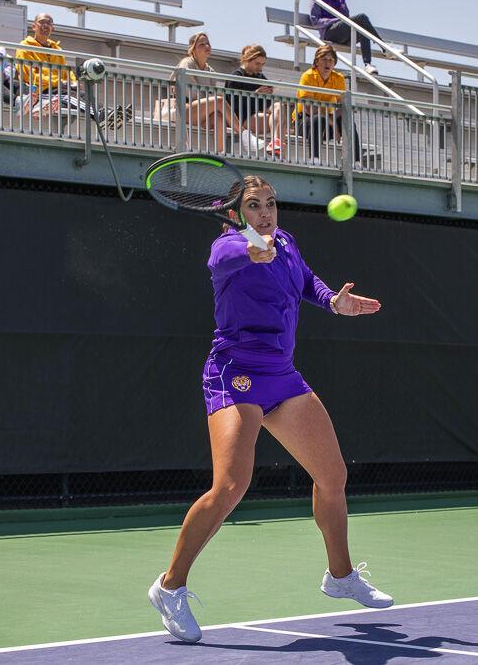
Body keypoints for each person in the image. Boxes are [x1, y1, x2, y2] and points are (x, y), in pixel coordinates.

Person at [147, 175, 390, 643]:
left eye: (272, 204)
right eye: (254, 205)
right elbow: (243, 255)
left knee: (332, 476)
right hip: (233, 373)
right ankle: (169, 586)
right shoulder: (227, 249)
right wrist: (253, 247)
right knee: (231, 485)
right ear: (235, 213)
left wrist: (335, 303)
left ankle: (340, 577)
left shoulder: (287, 243)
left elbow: (306, 283)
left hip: (281, 375)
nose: (266, 214)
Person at [15, 13, 125, 125]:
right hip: (38, 91)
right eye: (42, 22)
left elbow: (66, 72)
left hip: (57, 88)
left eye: (49, 23)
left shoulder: (56, 49)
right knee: (70, 96)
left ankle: (106, 113)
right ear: (34, 26)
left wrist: (73, 82)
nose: (45, 25)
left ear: (53, 28)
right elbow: (29, 76)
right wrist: (58, 82)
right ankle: (101, 116)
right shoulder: (25, 47)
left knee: (84, 94)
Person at [154, 32, 252, 154]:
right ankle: (244, 134)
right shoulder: (187, 63)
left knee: (218, 116)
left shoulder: (210, 70)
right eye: (201, 44)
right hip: (182, 110)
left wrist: (210, 99)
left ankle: (220, 154)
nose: (207, 46)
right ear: (192, 49)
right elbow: (189, 92)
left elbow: (210, 95)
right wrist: (210, 100)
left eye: (208, 43)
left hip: (198, 112)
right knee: (219, 101)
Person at [296, 44, 361, 165]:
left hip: (327, 121)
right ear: (317, 61)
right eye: (324, 59)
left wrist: (335, 122)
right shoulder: (308, 76)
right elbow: (309, 108)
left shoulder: (338, 78)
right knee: (317, 119)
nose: (328, 63)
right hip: (303, 122)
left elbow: (343, 106)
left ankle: (355, 161)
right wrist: (334, 125)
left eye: (331, 60)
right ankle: (314, 159)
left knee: (348, 122)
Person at [224, 45, 288, 157]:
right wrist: (256, 94)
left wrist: (268, 93)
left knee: (279, 107)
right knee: (279, 121)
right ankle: (278, 149)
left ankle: (275, 142)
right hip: (240, 118)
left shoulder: (260, 76)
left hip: (255, 114)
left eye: (262, 64)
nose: (260, 67)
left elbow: (265, 105)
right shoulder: (236, 76)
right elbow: (234, 106)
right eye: (257, 64)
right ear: (246, 60)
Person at [309, 0, 386, 75]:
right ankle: (384, 48)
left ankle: (367, 64)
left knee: (363, 28)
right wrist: (336, 20)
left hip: (342, 33)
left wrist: (341, 7)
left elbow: (347, 18)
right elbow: (315, 22)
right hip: (329, 33)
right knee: (362, 17)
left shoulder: (341, 0)